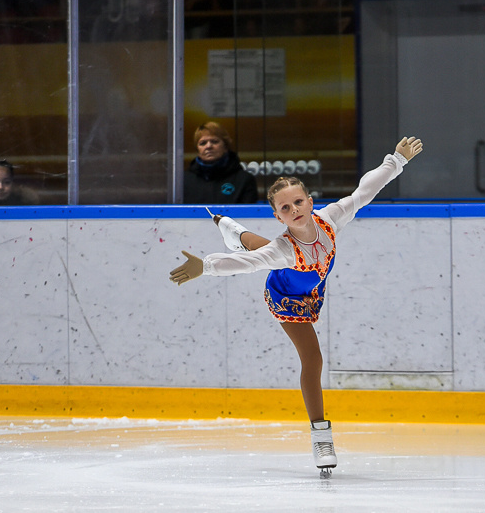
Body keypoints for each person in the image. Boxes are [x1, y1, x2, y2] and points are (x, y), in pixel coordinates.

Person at [170, 136, 424, 474]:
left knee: (259, 248)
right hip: (286, 297)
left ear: (310, 201)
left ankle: (232, 230)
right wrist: (206, 265)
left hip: (309, 283)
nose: (294, 210)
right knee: (312, 357)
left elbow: (363, 192)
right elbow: (248, 264)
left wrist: (396, 160)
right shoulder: (283, 248)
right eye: (285, 209)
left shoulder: (329, 219)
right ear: (278, 216)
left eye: (298, 202)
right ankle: (321, 436)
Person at [183, 121, 259, 204]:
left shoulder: (244, 180)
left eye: (214, 141)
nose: (208, 146)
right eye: (203, 143)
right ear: (197, 150)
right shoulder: (184, 180)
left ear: (225, 147)